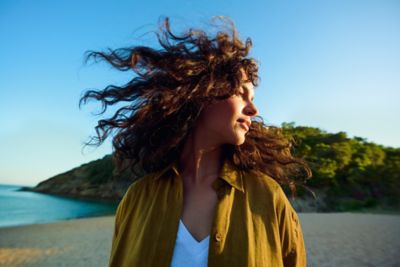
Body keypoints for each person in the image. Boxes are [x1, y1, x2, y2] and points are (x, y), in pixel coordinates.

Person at [80, 16, 312, 267]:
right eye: (241, 94)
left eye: (253, 97)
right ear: (203, 92)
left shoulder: (268, 196)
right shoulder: (137, 198)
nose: (253, 109)